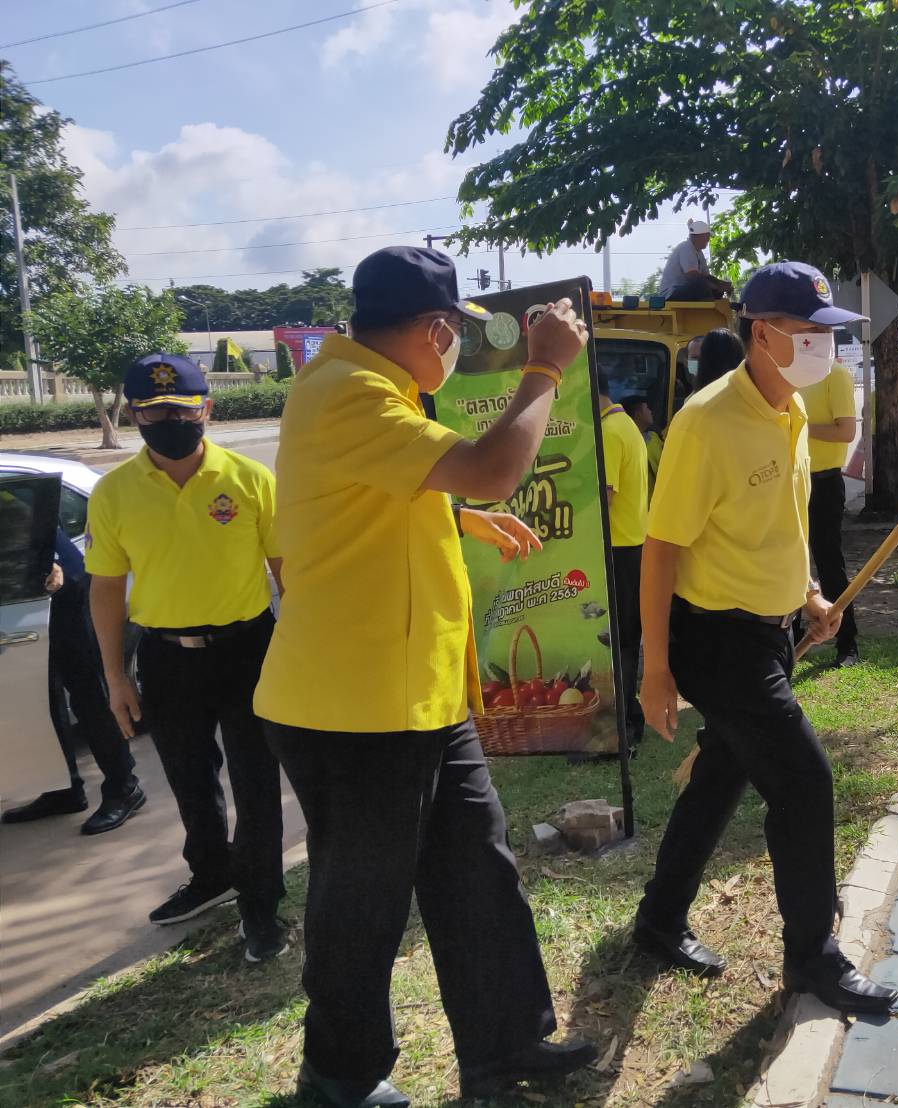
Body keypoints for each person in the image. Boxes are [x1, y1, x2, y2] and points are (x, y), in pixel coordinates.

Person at [253, 246, 594, 1108]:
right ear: (435, 328)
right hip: (353, 709)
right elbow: (489, 463)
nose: (452, 349)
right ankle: (337, 1077)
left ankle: (506, 1042)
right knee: (359, 904)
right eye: (451, 334)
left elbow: (388, 491)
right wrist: (545, 367)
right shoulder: (349, 393)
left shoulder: (369, 390)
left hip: (416, 697)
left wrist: (456, 512)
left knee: (477, 874)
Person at [632, 261, 897, 1016]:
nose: (822, 347)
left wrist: (808, 594)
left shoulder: (790, 412)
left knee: (720, 776)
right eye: (807, 333)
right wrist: (657, 670)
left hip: (771, 631)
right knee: (803, 784)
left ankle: (657, 919)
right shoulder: (706, 422)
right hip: (718, 643)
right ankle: (813, 957)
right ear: (761, 332)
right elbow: (660, 548)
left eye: (828, 335)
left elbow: (778, 527)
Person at [85, 355, 285, 957]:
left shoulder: (250, 478)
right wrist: (116, 675)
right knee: (190, 781)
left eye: (180, 409)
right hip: (167, 659)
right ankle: (211, 874)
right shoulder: (115, 492)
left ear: (207, 409)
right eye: (151, 411)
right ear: (133, 414)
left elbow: (287, 572)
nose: (167, 420)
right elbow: (103, 588)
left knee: (256, 784)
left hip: (249, 648)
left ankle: (260, 906)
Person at [1, 526, 145, 834]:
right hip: (21, 594)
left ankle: (124, 788)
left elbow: (38, 511)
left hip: (61, 589)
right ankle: (62, 788)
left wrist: (49, 562)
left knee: (88, 691)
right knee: (41, 696)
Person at [597, 373, 650, 748]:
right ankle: (628, 718)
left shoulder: (610, 432)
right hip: (631, 547)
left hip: (619, 549)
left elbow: (606, 497)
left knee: (618, 641)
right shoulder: (623, 425)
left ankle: (622, 725)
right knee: (625, 640)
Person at [798, 356, 861, 667]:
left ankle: (847, 642)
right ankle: (792, 642)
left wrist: (800, 426)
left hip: (823, 482)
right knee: (789, 561)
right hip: (790, 481)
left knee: (829, 563)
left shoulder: (835, 375)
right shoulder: (789, 376)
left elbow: (846, 431)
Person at [659, 219, 734, 301]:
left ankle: (713, 309)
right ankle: (707, 309)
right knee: (701, 284)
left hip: (685, 290)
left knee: (715, 290)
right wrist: (717, 286)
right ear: (699, 236)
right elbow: (693, 276)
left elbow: (706, 276)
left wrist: (721, 284)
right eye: (707, 236)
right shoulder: (686, 248)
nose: (708, 240)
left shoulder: (699, 252)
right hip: (671, 293)